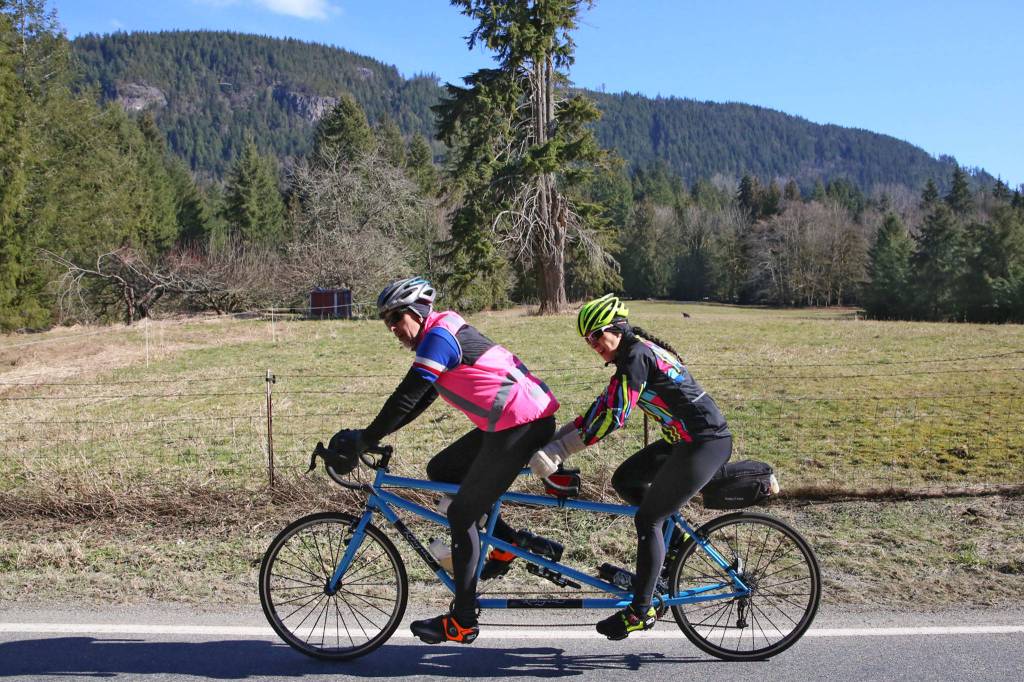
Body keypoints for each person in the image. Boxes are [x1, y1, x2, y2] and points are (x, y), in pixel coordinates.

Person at [336, 277, 560, 645]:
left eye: (396, 317)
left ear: (417, 312)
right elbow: (422, 398)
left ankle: (463, 620)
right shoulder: (439, 333)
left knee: (461, 515)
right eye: (386, 321)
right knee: (443, 471)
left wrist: (365, 439)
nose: (392, 328)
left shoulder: (439, 339)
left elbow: (407, 397)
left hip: (521, 424)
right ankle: (505, 543)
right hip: (513, 421)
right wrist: (370, 436)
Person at [528, 294, 732, 640]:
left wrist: (560, 449)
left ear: (617, 329)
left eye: (596, 335)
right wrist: (552, 446)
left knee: (648, 518)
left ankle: (642, 609)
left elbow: (614, 416)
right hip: (682, 441)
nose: (592, 345)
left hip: (704, 442)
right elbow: (601, 407)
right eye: (587, 340)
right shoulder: (633, 354)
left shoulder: (637, 356)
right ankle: (677, 546)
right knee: (626, 480)